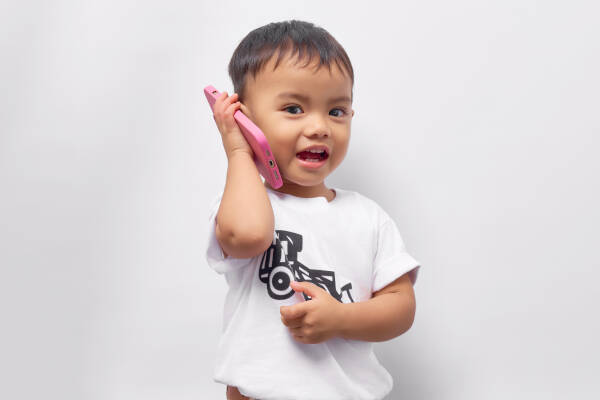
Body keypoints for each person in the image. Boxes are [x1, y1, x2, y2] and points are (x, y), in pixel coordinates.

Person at [206, 20, 422, 400]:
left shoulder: (368, 216)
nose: (320, 127)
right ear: (245, 118)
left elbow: (401, 308)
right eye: (294, 108)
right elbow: (249, 236)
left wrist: (341, 319)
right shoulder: (244, 204)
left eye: (336, 111)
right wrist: (239, 151)